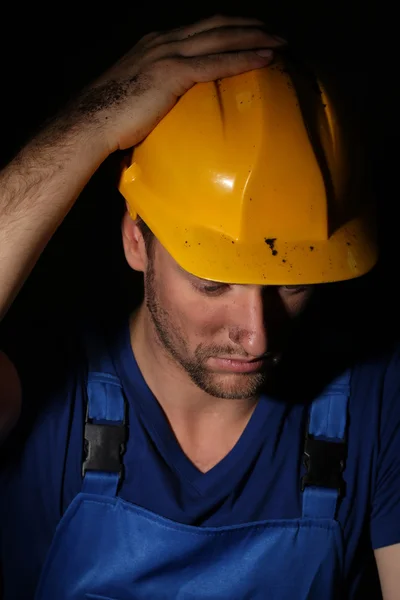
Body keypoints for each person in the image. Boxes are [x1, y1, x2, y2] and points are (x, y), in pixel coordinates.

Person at [0, 13, 399, 600]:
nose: (257, 336)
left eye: (292, 283)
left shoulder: (377, 397)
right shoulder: (46, 387)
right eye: (214, 282)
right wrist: (93, 121)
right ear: (137, 240)